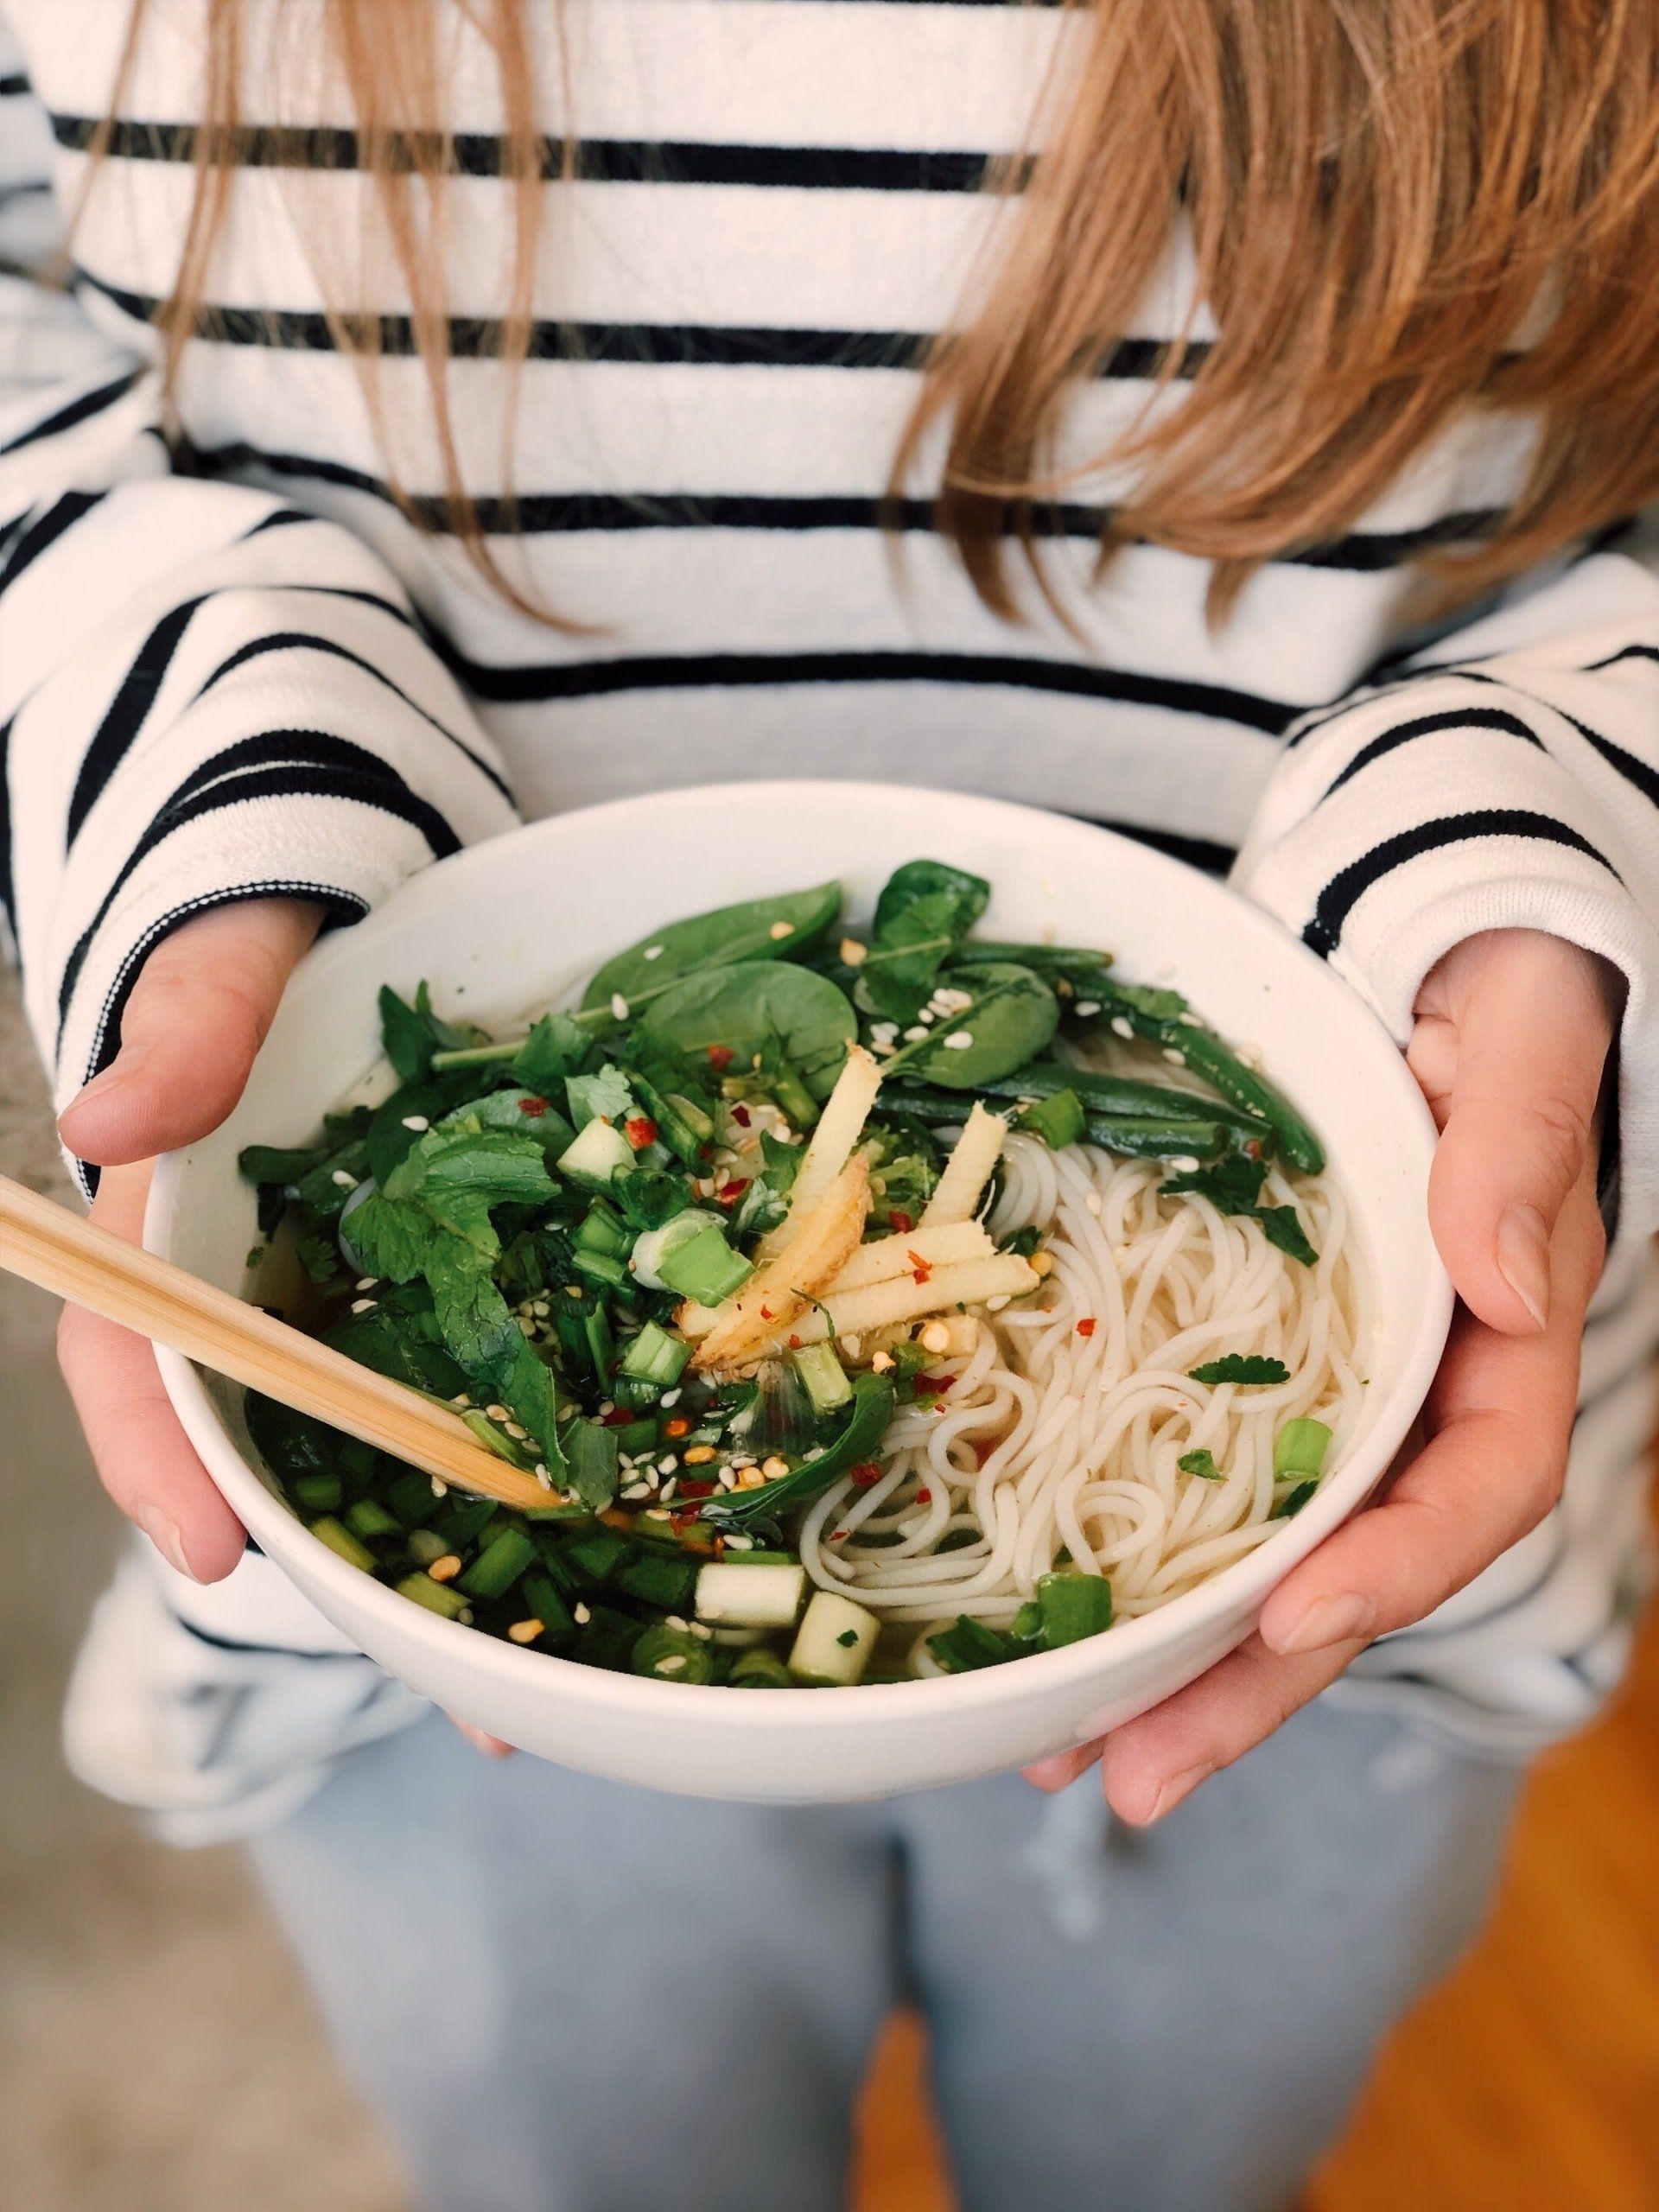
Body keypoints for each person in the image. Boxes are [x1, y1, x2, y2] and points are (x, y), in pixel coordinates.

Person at [3, 3, 1656, 2206]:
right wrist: (228, 804)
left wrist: (1520, 868)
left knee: (1172, 2153)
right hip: (431, 1659)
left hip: (1360, 1518)